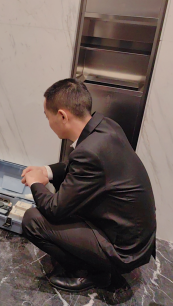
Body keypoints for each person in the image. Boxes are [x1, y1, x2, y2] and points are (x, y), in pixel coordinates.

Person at [21, 79, 156, 292]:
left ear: (62, 116)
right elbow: (76, 169)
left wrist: (35, 182)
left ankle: (92, 273)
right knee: (65, 206)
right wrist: (46, 171)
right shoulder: (105, 127)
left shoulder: (88, 153)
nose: (49, 123)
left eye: (48, 117)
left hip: (122, 251)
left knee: (32, 220)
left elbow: (54, 210)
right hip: (133, 236)